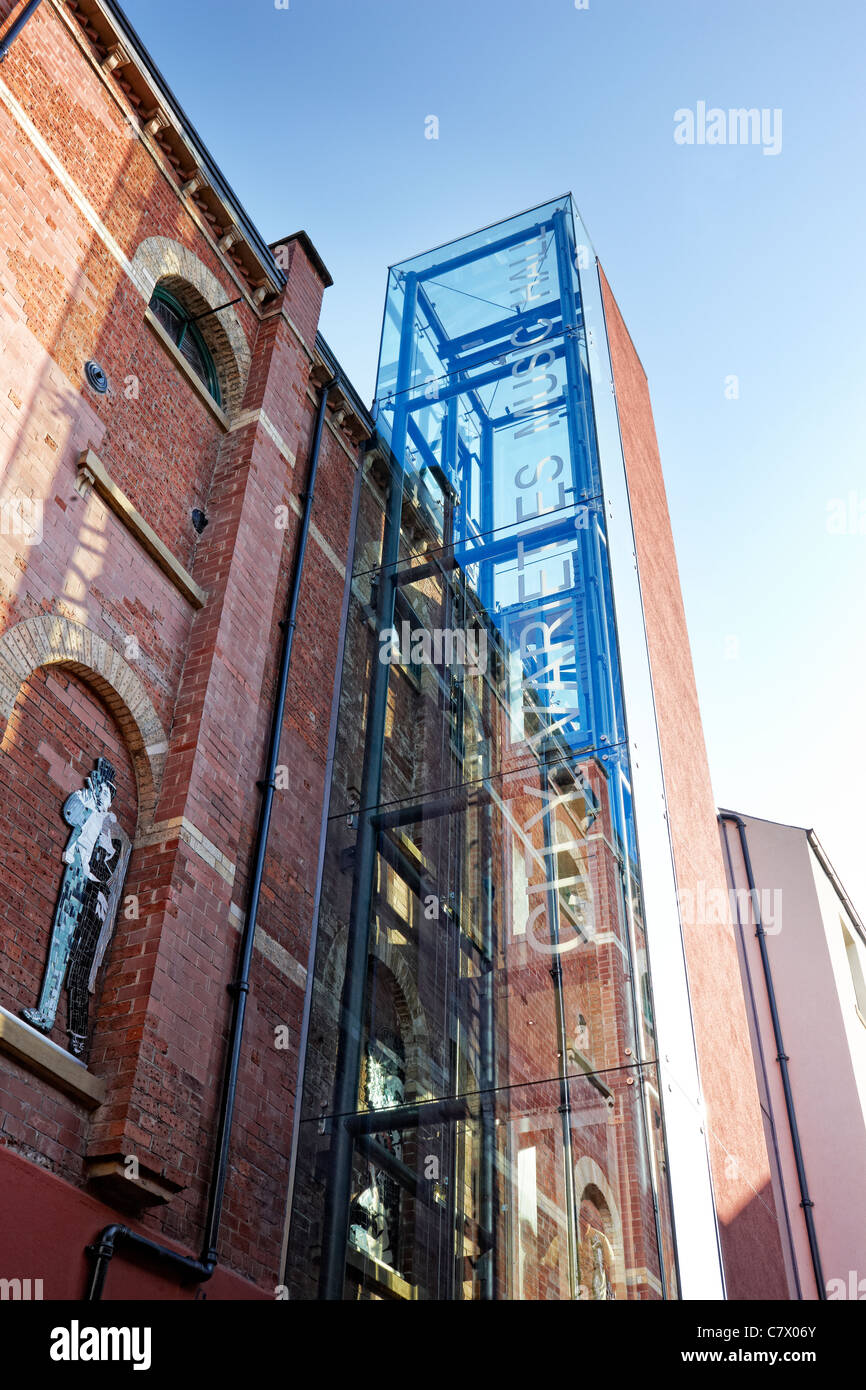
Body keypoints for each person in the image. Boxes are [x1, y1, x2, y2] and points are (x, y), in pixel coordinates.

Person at [22, 757, 130, 1056]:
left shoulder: (110, 830)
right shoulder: (86, 806)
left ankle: (75, 1034)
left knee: (79, 967)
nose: (103, 796)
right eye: (102, 789)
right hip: (74, 880)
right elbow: (71, 814)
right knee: (59, 947)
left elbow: (107, 868)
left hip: (90, 891)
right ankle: (46, 1013)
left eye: (108, 792)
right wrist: (85, 797)